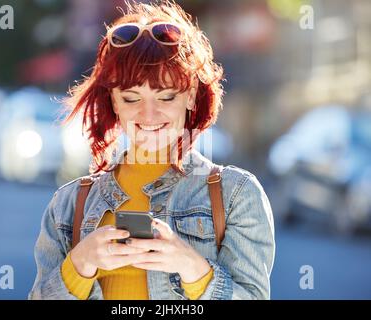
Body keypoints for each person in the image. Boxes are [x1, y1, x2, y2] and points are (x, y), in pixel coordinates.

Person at [29, 0, 275, 300]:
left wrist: (192, 267)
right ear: (114, 103)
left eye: (166, 97)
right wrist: (80, 264)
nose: (148, 114)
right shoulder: (67, 205)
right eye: (131, 98)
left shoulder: (236, 195)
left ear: (191, 96)